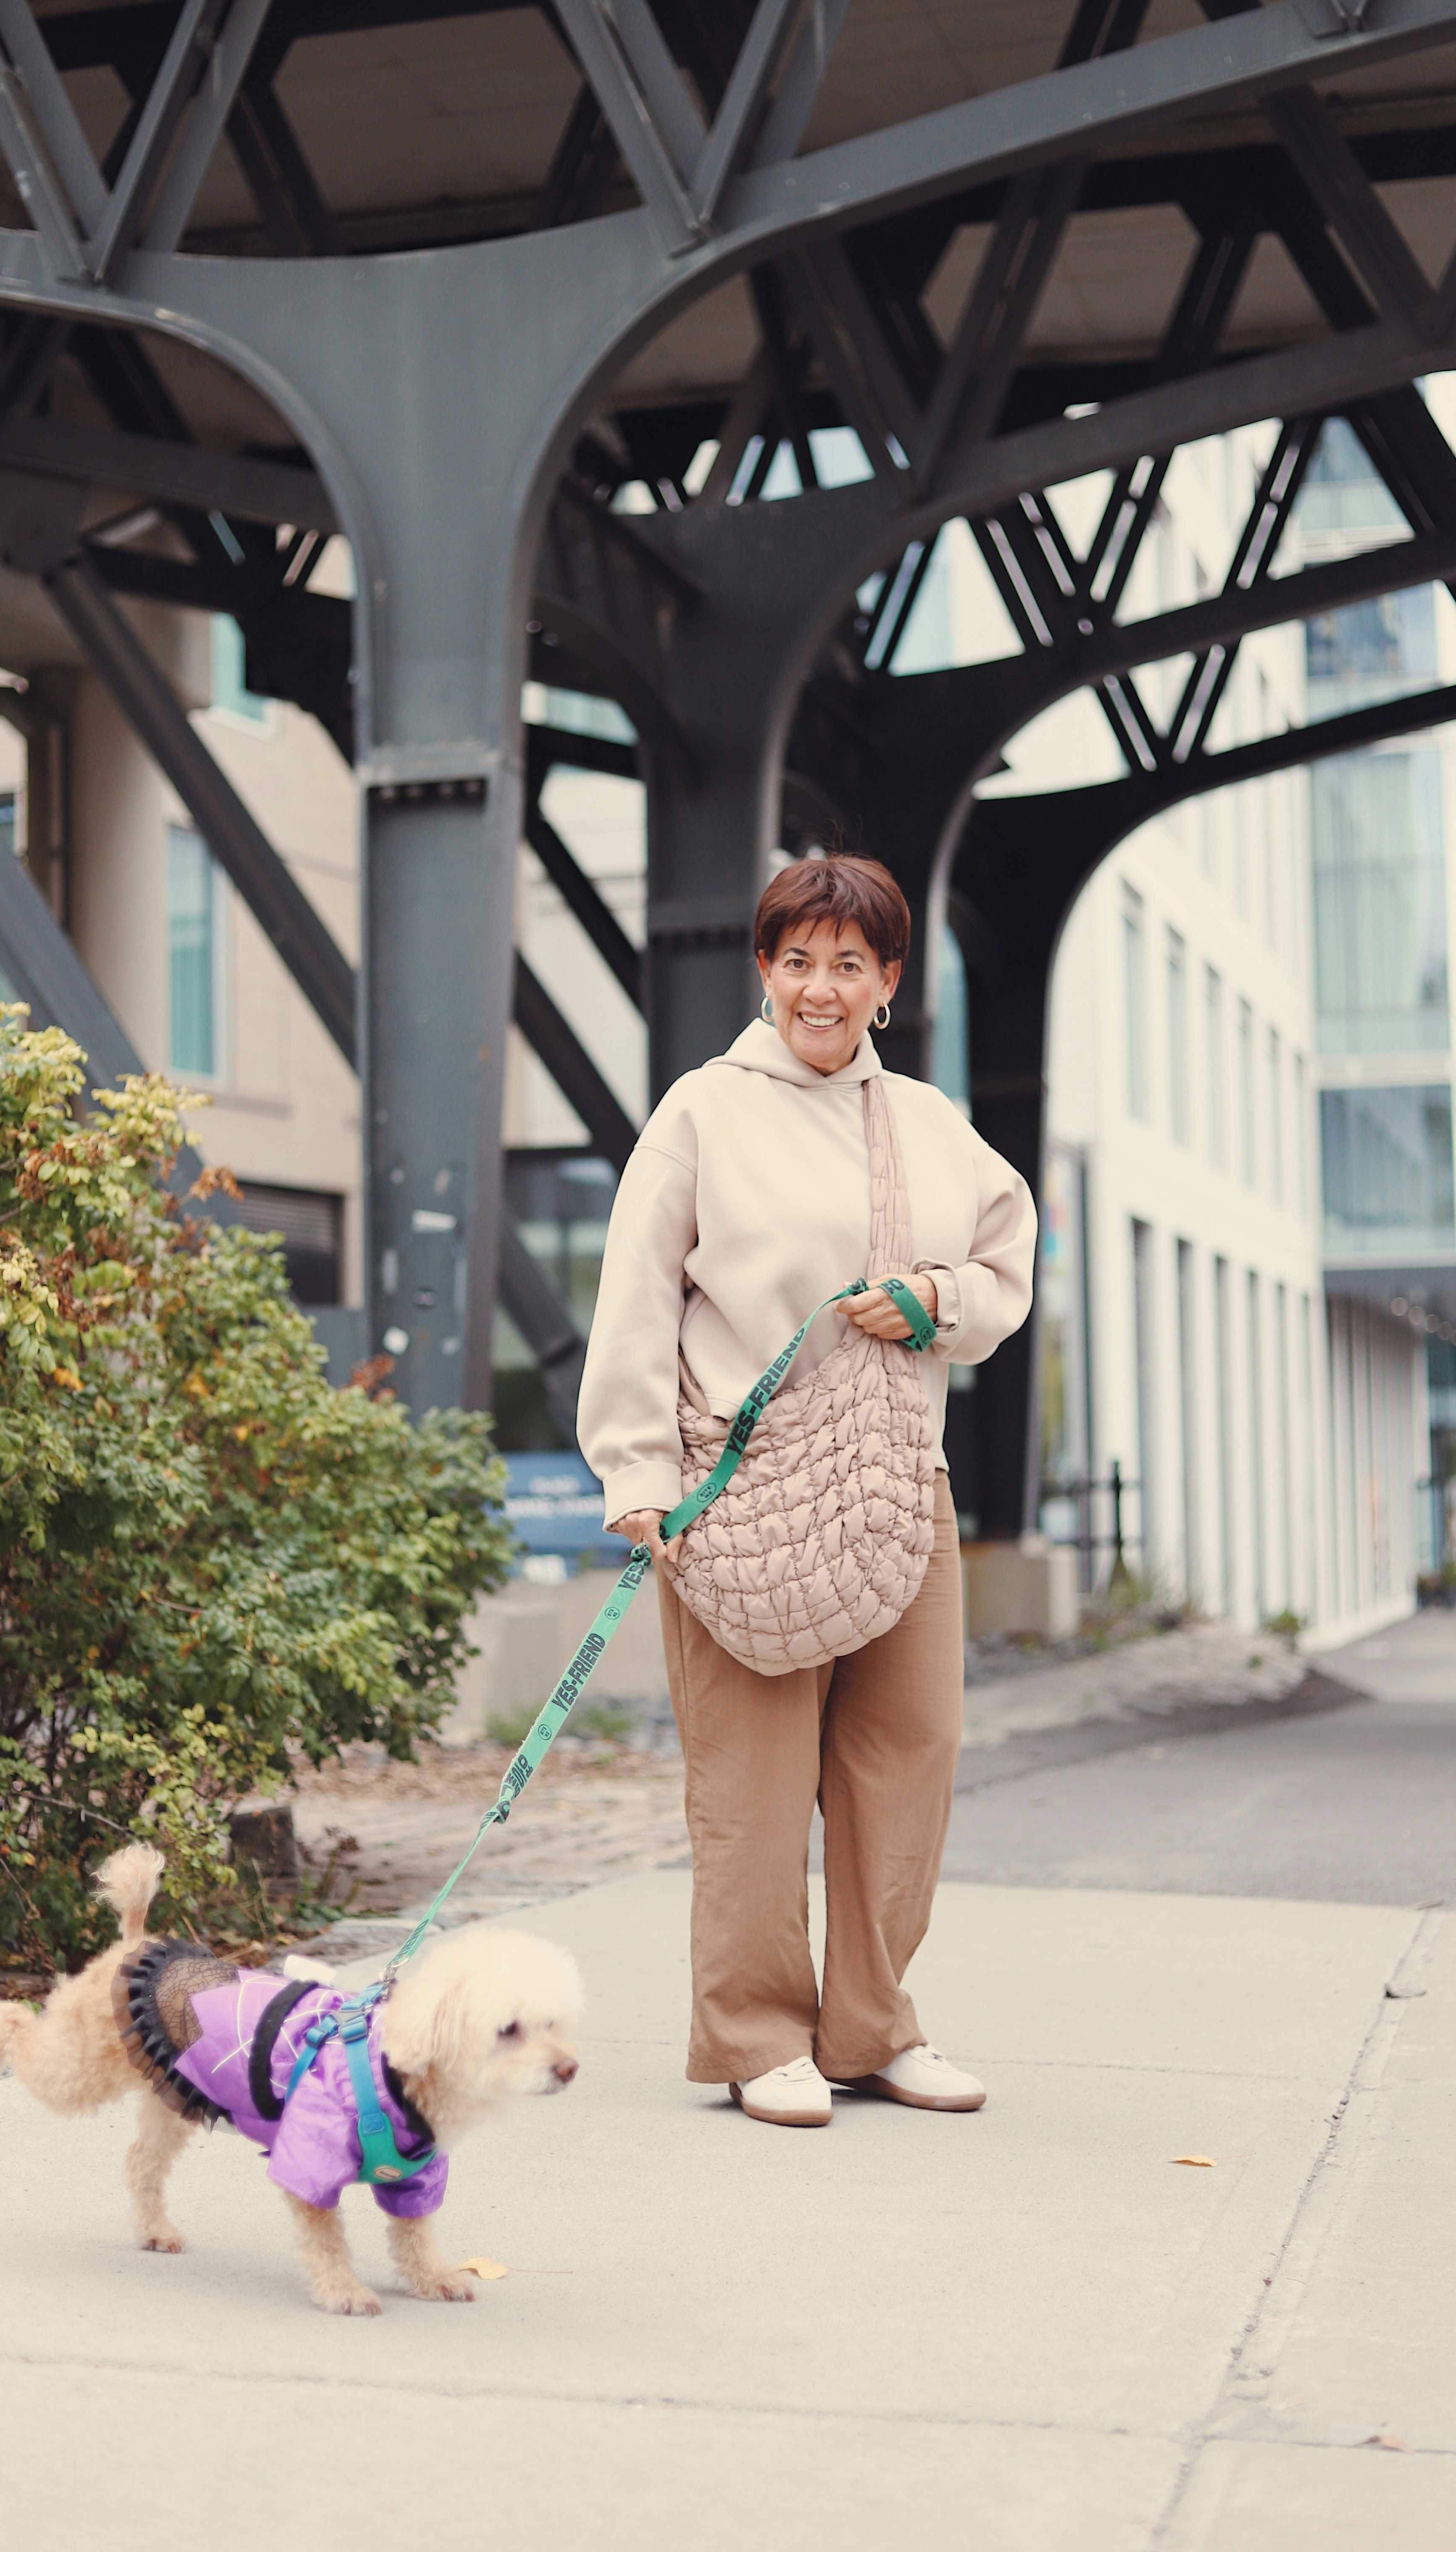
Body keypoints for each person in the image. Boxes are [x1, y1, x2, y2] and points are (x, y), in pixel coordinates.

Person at [577, 854, 1035, 2128]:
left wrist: (939, 1302)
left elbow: (1007, 1260)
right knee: (755, 1779)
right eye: (797, 961)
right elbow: (634, 1297)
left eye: (848, 964)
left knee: (911, 1755)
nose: (818, 988)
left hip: (899, 1488)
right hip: (742, 1497)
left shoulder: (933, 1127)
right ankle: (753, 2033)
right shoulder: (701, 1113)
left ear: (889, 982)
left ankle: (872, 2025)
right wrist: (635, 1477)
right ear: (765, 970)